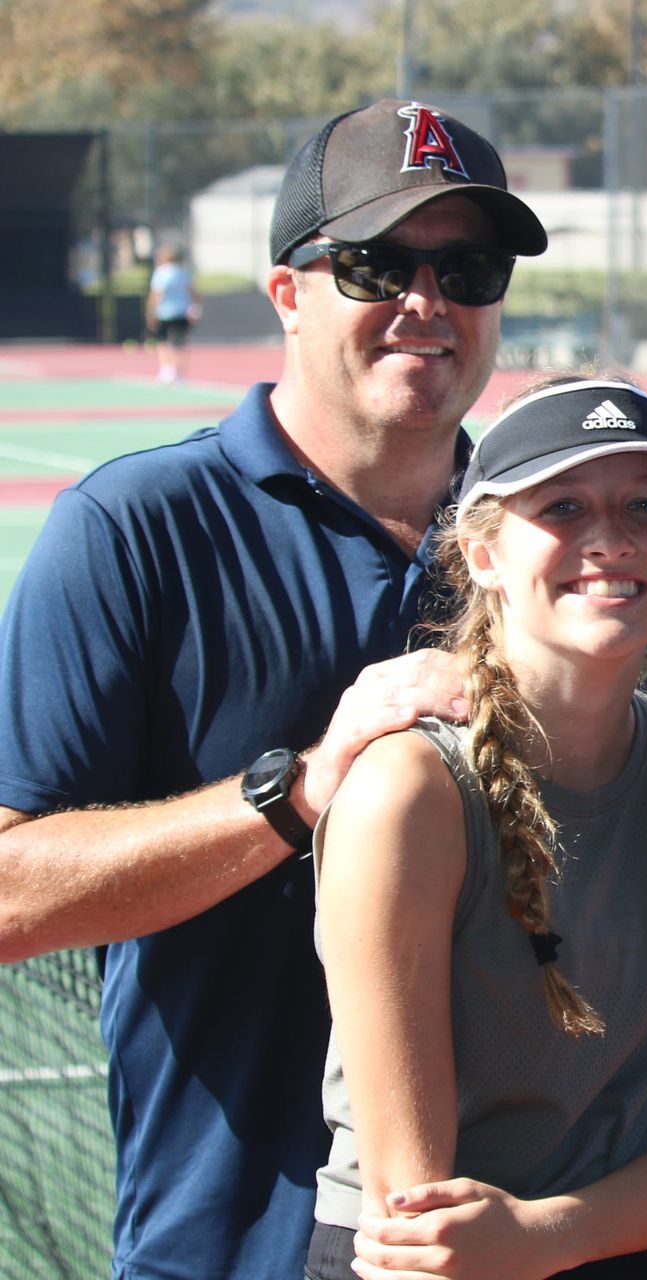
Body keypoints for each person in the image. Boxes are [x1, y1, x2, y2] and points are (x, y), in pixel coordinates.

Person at [0, 98, 546, 1277]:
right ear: (287, 294)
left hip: (516, 1237)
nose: (427, 302)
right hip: (231, 1239)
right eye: (375, 263)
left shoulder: (557, 542)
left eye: (467, 266)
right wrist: (297, 790)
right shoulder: (134, 528)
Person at [309, 376, 647, 1280]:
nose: (610, 540)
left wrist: (549, 1236)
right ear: (482, 552)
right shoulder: (409, 791)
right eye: (563, 505)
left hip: (614, 1244)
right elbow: (414, 1214)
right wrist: (522, 1243)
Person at [146, 244, 201, 384]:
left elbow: (157, 294)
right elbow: (193, 292)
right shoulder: (183, 272)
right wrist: (197, 307)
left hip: (164, 313)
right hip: (181, 312)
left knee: (163, 342)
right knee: (180, 344)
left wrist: (151, 312)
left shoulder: (161, 272)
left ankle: (166, 370)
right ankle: (180, 373)